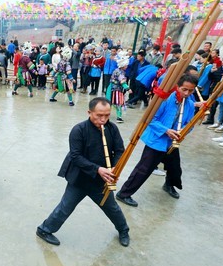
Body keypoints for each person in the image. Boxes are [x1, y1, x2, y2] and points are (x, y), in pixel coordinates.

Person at [36, 97, 130, 247]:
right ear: (89, 112)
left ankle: (124, 230)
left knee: (112, 208)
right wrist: (98, 169)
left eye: (107, 115)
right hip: (80, 179)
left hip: (101, 181)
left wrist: (114, 167)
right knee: (65, 206)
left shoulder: (112, 129)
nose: (103, 119)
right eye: (99, 115)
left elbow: (119, 151)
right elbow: (76, 156)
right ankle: (44, 229)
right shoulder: (78, 130)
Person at [116, 74, 200, 207]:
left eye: (191, 90)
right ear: (177, 86)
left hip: (172, 142)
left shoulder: (189, 104)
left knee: (175, 168)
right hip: (156, 140)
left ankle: (169, 185)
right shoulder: (164, 100)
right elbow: (150, 119)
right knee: (144, 169)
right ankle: (123, 193)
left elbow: (189, 124)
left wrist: (182, 132)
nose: (187, 93)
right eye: (184, 89)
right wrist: (166, 130)